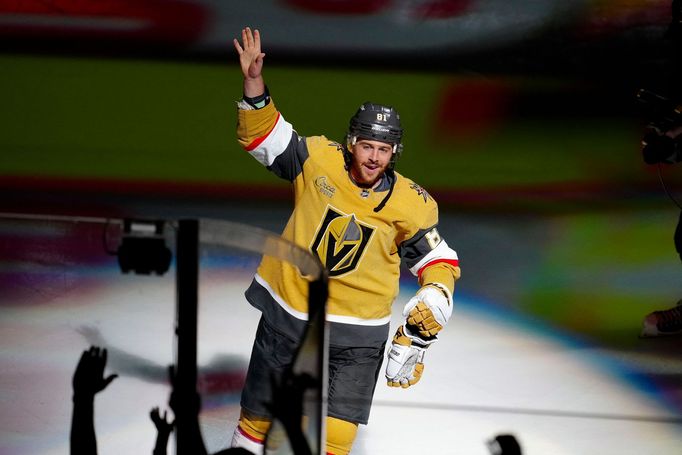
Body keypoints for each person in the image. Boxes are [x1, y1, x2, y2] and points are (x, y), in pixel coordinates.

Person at [230, 27, 461, 454]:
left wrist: (437, 295)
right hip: (291, 309)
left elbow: (436, 258)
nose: (375, 157)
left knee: (337, 436)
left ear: (396, 153)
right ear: (351, 143)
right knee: (256, 418)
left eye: (385, 149)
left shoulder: (410, 203)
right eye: (368, 146)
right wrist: (253, 82)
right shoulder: (317, 159)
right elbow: (261, 136)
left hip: (358, 330)